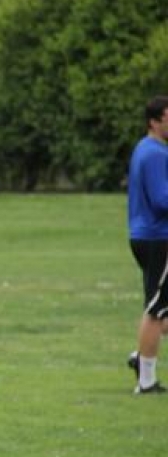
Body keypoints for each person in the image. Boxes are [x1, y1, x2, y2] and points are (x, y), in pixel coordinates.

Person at [127, 94, 168, 395]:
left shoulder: (145, 148)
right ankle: (146, 381)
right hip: (157, 238)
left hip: (145, 236)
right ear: (155, 121)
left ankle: (140, 357)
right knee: (156, 310)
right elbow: (161, 199)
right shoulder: (155, 154)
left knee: (161, 308)